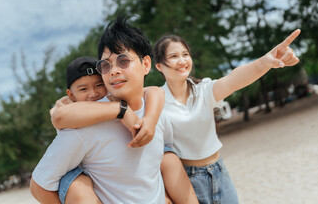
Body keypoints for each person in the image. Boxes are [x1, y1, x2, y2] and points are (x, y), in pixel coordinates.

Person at [30, 16, 197, 204]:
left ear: (146, 64)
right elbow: (40, 185)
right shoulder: (85, 126)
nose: (114, 70)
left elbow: (155, 164)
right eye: (105, 65)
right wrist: (121, 110)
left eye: (123, 61)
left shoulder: (156, 112)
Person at [152, 30, 301, 204]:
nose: (182, 60)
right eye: (173, 56)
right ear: (159, 66)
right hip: (186, 180)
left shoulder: (204, 89)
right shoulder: (157, 101)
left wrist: (265, 62)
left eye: (185, 54)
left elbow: (234, 79)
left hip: (219, 170)